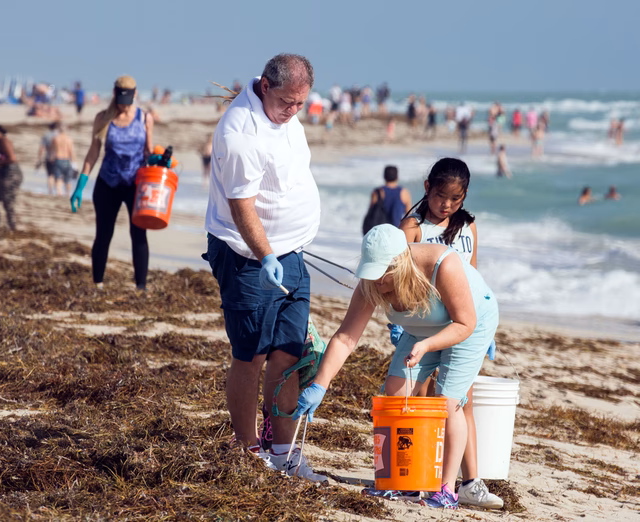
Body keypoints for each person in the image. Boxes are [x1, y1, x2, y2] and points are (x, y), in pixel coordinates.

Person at [293, 224, 499, 509]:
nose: (377, 281)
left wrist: (427, 346)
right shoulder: (371, 283)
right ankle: (405, 481)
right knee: (395, 392)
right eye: (372, 272)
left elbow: (466, 322)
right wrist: (319, 385)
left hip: (467, 325)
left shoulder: (442, 265)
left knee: (447, 401)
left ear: (401, 264)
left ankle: (447, 490)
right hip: (422, 326)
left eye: (382, 273)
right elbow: (346, 337)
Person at [204, 54, 324, 481]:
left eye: (301, 103)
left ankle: (283, 452)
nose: (294, 110)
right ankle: (248, 449)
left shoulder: (284, 110)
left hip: (293, 252)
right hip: (247, 256)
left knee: (289, 353)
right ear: (266, 87)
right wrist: (266, 255)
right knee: (251, 355)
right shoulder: (240, 133)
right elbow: (241, 206)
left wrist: (286, 250)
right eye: (287, 102)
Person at [397, 159, 502, 508]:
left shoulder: (467, 226)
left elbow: (473, 274)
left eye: (456, 199)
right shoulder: (413, 227)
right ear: (427, 187)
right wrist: (398, 324)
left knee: (460, 400)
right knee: (420, 397)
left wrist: (484, 332)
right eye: (441, 196)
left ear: (465, 196)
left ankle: (470, 482)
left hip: (463, 326)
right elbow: (399, 279)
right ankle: (418, 475)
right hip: (426, 324)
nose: (447, 205)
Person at [70, 75, 154, 290]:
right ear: (115, 94)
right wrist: (80, 186)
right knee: (103, 235)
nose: (123, 105)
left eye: (127, 100)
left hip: (135, 185)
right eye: (120, 100)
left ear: (135, 95)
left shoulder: (145, 118)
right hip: (107, 184)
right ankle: (97, 284)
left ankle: (141, 288)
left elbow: (148, 151)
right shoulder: (103, 118)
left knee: (139, 235)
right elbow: (93, 153)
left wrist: (158, 161)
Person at [0, 123, 23, 230]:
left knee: (8, 202)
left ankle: (12, 228)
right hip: (3, 177)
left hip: (11, 175)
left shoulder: (4, 141)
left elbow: (12, 158)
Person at [50, 122, 76, 197]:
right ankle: (67, 193)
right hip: (66, 160)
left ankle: (59, 193)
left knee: (58, 177)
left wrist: (51, 158)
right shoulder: (69, 139)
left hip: (58, 159)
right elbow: (71, 151)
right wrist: (74, 163)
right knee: (68, 179)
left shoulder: (55, 138)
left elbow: (52, 150)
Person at [36, 122, 59, 195]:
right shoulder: (58, 134)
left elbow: (42, 148)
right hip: (59, 157)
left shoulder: (46, 135)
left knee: (50, 175)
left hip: (48, 157)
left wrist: (39, 158)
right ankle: (58, 192)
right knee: (58, 176)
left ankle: (50, 191)